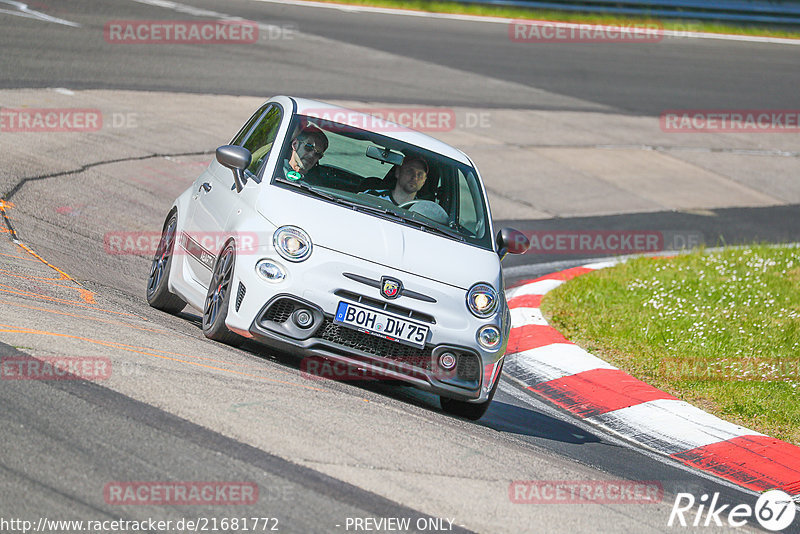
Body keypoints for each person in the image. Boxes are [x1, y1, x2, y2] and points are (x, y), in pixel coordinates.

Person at [363, 156, 428, 205]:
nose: (415, 177)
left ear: (424, 181)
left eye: (420, 175)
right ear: (398, 172)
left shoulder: (422, 211)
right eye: (410, 171)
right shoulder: (373, 197)